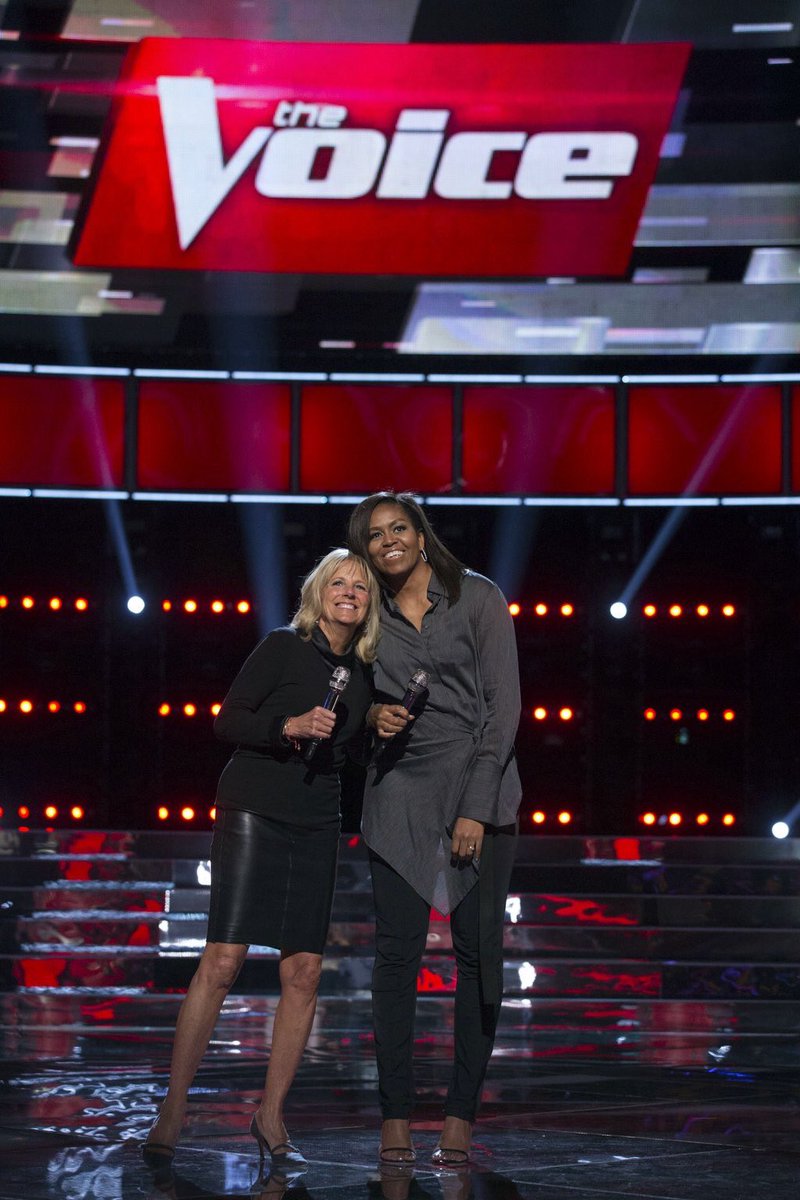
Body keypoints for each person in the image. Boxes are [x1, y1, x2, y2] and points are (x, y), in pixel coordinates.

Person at [142, 548, 379, 1173]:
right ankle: (173, 1107)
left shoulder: (364, 672)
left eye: (360, 585)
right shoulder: (282, 646)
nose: (349, 592)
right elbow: (227, 720)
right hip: (254, 809)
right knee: (222, 961)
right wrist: (288, 726)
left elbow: (350, 756)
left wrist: (380, 729)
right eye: (339, 582)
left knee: (303, 972)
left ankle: (270, 1114)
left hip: (317, 821)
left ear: (369, 603)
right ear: (319, 591)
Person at [347, 492, 521, 1167]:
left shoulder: (478, 599)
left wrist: (475, 808)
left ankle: (459, 1115)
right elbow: (344, 693)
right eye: (373, 535)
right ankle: (394, 1115)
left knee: (478, 960)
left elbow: (503, 713)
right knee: (397, 961)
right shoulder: (364, 612)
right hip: (398, 795)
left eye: (398, 528)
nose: (387, 541)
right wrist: (369, 721)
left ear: (421, 535)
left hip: (480, 790)